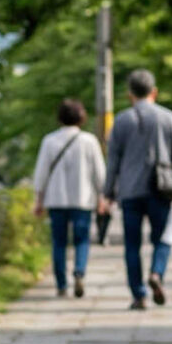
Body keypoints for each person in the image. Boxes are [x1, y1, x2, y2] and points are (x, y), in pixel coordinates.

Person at [101, 68, 172, 310]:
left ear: (130, 94)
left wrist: (107, 193)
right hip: (161, 188)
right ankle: (157, 273)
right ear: (154, 92)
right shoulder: (167, 117)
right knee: (163, 238)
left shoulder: (121, 120)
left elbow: (113, 161)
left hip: (129, 190)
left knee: (132, 245)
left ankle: (138, 295)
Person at [31, 98, 106, 298]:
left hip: (56, 199)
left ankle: (61, 284)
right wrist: (102, 198)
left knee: (59, 242)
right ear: (81, 117)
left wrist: (38, 200)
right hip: (83, 199)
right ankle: (79, 272)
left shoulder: (49, 140)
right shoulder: (89, 141)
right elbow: (99, 173)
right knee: (82, 239)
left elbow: (41, 174)